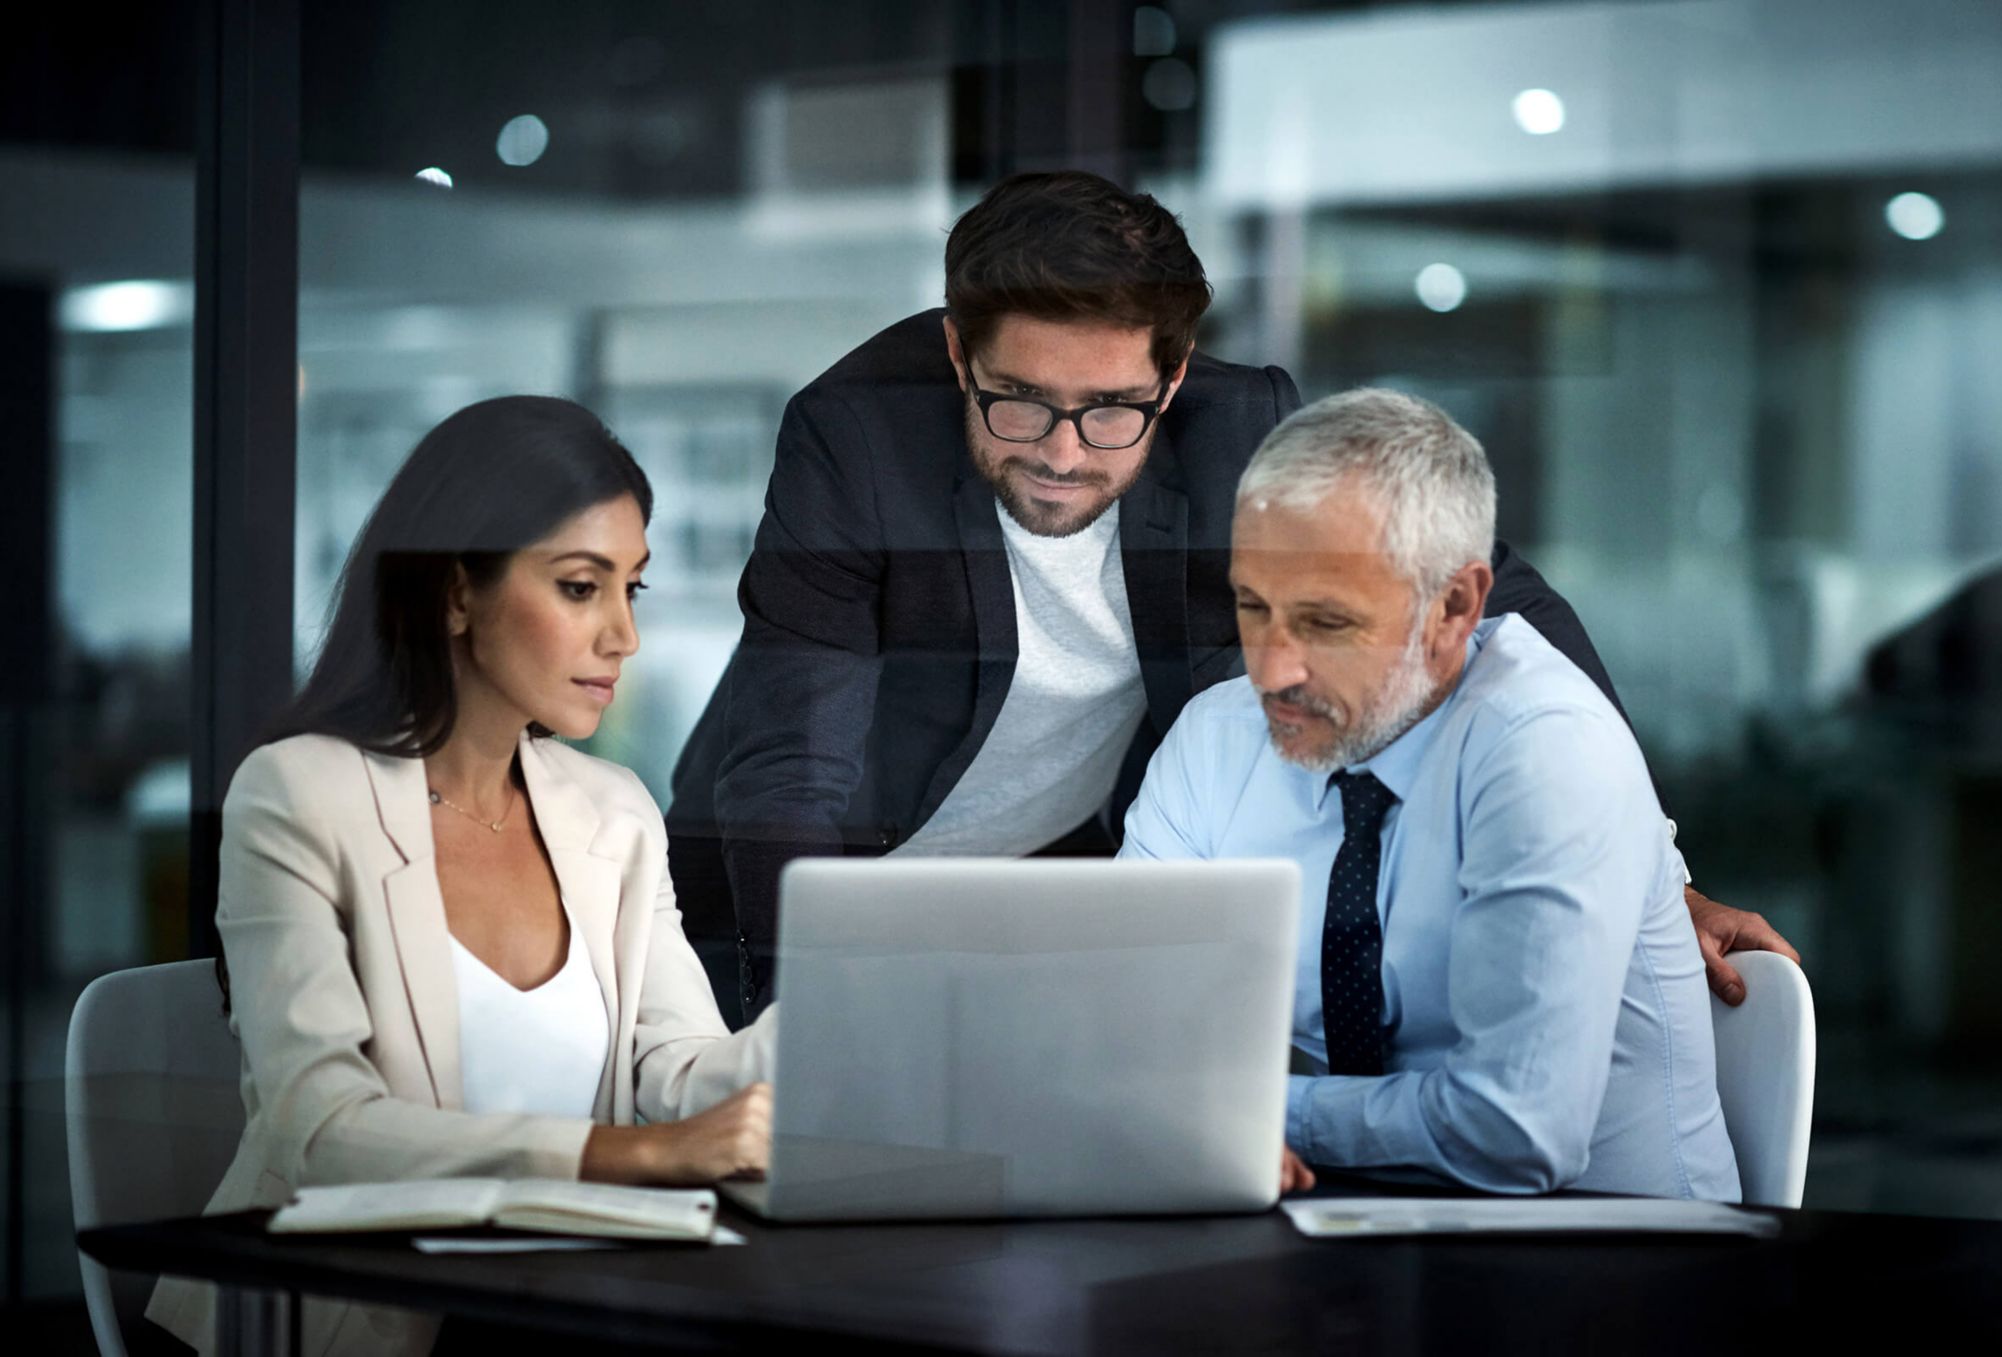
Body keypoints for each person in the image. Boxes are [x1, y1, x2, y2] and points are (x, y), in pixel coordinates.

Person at [668, 169, 1794, 1020]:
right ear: (960, 352)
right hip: (795, 903)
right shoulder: (855, 433)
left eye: (1112, 408)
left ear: (1174, 372)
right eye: (1018, 401)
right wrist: (802, 1019)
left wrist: (1662, 879)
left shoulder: (1244, 432)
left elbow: (1500, 606)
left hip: (1046, 900)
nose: (1063, 453)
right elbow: (789, 769)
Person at [147, 398, 775, 1357]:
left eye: (631, 591)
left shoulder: (614, 811)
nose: (623, 637)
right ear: (452, 593)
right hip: (334, 1318)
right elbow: (320, 1128)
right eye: (579, 587)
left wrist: (836, 1024)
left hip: (551, 1306)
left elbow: (678, 1068)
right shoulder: (297, 792)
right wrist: (631, 1156)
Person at [1121, 389, 1740, 1198]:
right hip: (1349, 1246)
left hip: (1614, 1265)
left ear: (1455, 607)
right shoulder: (1216, 737)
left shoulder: (1546, 747)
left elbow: (1515, 1133)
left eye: (1326, 623)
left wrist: (1249, 1112)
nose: (1271, 670)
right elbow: (1120, 1038)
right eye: (1252, 606)